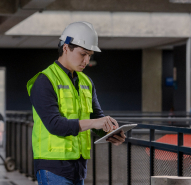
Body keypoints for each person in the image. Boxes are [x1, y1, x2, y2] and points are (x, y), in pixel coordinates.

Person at [26, 22, 127, 185]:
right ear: (66, 48)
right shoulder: (44, 81)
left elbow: (96, 117)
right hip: (53, 167)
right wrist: (96, 122)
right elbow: (54, 125)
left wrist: (109, 132)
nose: (87, 60)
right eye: (83, 54)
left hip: (78, 168)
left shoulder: (86, 81)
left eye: (90, 55)